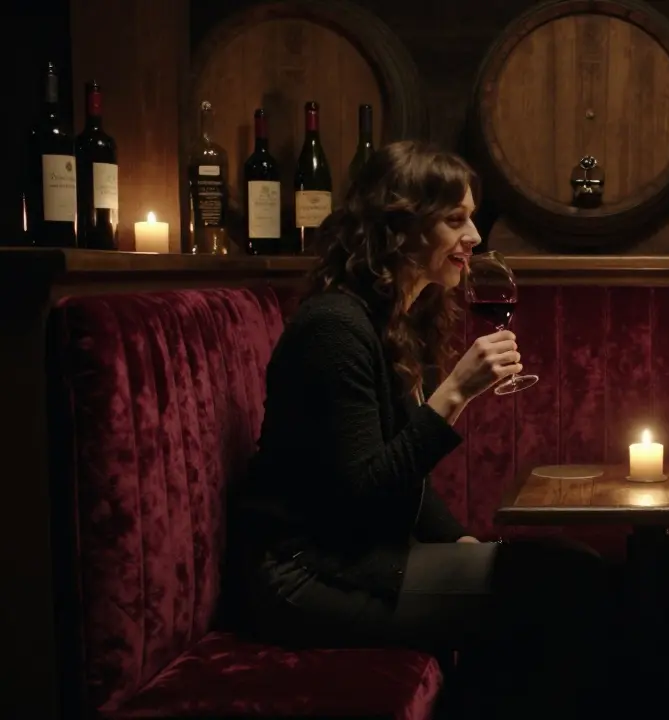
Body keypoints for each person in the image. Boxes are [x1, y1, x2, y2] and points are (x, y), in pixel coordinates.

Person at [226, 141, 607, 720]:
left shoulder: (393, 320)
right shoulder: (335, 327)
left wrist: (460, 543)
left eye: (471, 217)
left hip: (354, 554)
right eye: (455, 219)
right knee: (563, 579)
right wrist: (453, 394)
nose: (475, 236)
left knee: (566, 568)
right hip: (302, 575)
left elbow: (408, 481)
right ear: (400, 226)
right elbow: (365, 492)